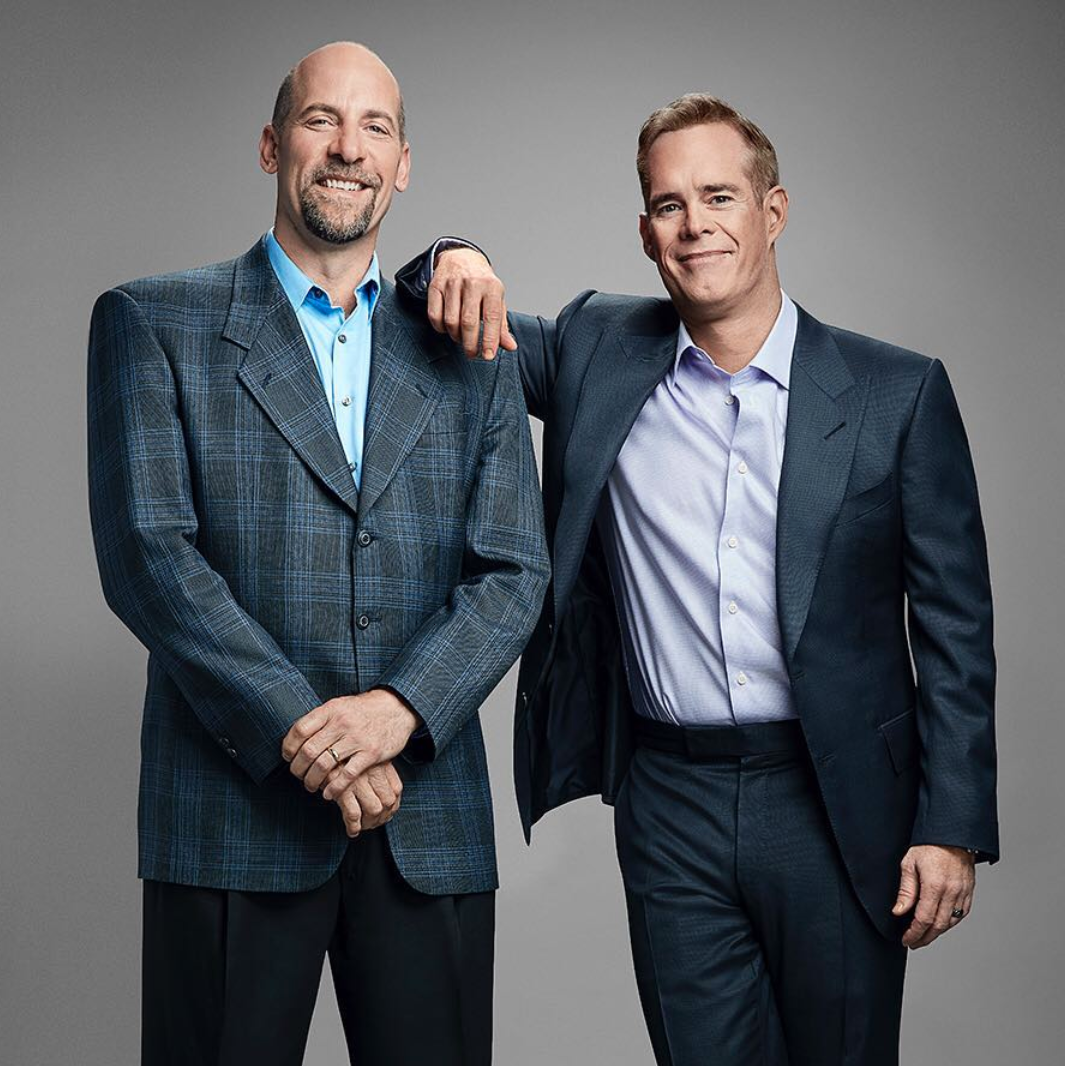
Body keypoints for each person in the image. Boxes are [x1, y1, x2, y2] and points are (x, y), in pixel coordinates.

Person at [398, 93, 998, 1065]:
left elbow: (955, 626)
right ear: (645, 233)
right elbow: (446, 317)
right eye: (668, 205)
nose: (694, 224)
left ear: (773, 210)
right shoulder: (595, 349)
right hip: (668, 798)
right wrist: (452, 255)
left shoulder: (896, 391)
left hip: (836, 796)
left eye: (718, 196)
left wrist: (952, 826)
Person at [87, 41, 548, 1066]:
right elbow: (149, 556)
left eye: (374, 127)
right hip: (229, 818)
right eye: (319, 120)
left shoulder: (469, 343)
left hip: (425, 818)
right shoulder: (153, 321)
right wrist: (307, 733)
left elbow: (513, 570)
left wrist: (398, 713)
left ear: (403, 164)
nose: (348, 148)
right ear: (271, 145)